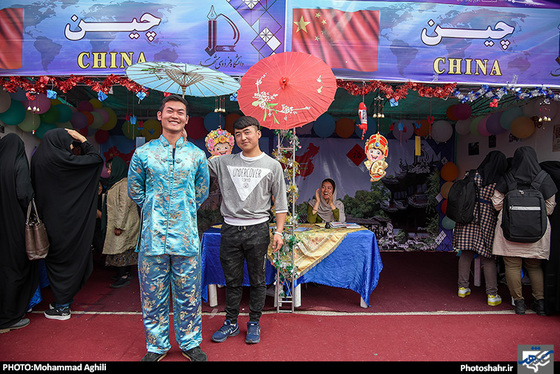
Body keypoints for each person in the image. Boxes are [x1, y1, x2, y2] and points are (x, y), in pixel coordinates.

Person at [128, 95, 210, 362]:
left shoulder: (197, 156)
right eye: (170, 111)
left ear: (186, 119)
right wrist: (155, 209)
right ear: (159, 115)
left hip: (185, 237)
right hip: (152, 237)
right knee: (152, 294)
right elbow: (135, 190)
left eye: (181, 112)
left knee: (189, 293)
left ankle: (189, 342)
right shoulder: (143, 153)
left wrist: (180, 212)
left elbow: (201, 192)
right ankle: (156, 345)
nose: (175, 115)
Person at [208, 116, 287, 345]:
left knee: (257, 280)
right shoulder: (223, 162)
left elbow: (280, 204)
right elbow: (196, 166)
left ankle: (254, 322)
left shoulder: (272, 166)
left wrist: (279, 232)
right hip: (230, 230)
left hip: (258, 230)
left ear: (259, 133)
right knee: (231, 280)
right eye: (238, 134)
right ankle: (231, 322)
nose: (243, 137)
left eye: (247, 132)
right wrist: (182, 141)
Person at [30, 128, 103, 320]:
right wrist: (83, 139)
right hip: (71, 221)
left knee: (55, 260)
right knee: (71, 260)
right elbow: (96, 159)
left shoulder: (38, 160)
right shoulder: (65, 161)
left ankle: (61, 303)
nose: (71, 148)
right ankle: (63, 306)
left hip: (48, 221)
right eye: (69, 144)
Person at [492, 146, 557, 315]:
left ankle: (519, 304)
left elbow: (497, 204)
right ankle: (540, 303)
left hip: (510, 230)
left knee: (512, 266)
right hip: (537, 231)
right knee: (535, 266)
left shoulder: (507, 177)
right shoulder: (544, 178)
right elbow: (550, 208)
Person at [453, 151, 507, 306]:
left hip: (467, 217)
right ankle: (492, 295)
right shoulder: (500, 180)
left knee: (466, 253)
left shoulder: (472, 174)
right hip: (487, 219)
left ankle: (462, 287)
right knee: (488, 258)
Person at [0, 133, 37, 333]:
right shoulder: (18, 164)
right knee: (15, 268)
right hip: (13, 223)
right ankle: (9, 317)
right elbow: (24, 194)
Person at [102, 157, 139, 288]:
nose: (108, 171)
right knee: (122, 249)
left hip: (125, 223)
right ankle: (125, 274)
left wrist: (119, 225)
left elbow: (124, 206)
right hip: (123, 222)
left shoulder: (124, 184)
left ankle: (123, 275)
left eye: (110, 168)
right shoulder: (117, 183)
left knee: (121, 249)